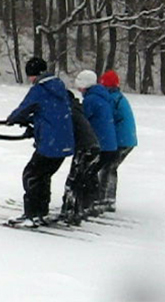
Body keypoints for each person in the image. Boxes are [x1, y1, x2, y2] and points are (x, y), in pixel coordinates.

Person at [6, 57, 74, 228]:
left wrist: (13, 119)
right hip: (64, 142)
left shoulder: (40, 89)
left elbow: (24, 108)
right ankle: (40, 212)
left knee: (31, 175)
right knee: (43, 176)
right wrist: (34, 124)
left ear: (33, 75)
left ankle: (31, 214)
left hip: (50, 143)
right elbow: (49, 113)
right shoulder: (60, 88)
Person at [74, 70, 118, 217]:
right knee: (91, 173)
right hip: (109, 145)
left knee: (86, 174)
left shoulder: (91, 100)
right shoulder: (103, 97)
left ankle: (84, 204)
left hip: (100, 145)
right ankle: (91, 203)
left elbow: (82, 119)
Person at [98, 70, 138, 212]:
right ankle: (107, 198)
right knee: (110, 167)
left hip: (122, 141)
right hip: (128, 139)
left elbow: (108, 118)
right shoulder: (118, 97)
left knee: (108, 168)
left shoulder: (112, 99)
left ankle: (106, 199)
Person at [60, 90, 100, 225]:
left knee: (74, 179)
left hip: (84, 148)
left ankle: (70, 211)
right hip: (93, 146)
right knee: (82, 179)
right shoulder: (76, 109)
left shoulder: (69, 111)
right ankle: (82, 208)